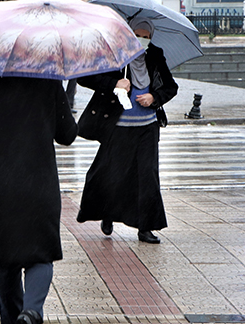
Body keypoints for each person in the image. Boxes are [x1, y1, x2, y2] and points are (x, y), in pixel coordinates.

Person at [0, 73, 78, 324]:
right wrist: (63, 99)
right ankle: (32, 310)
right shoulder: (49, 83)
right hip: (38, 184)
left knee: (5, 258)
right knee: (41, 253)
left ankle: (14, 318)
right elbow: (67, 134)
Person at [75, 18, 178, 244]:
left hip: (147, 127)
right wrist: (114, 84)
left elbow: (171, 86)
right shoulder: (113, 53)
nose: (142, 39)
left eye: (146, 36)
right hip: (118, 127)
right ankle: (107, 213)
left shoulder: (154, 55)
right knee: (109, 173)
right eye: (137, 34)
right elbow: (85, 77)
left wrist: (154, 98)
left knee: (147, 177)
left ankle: (146, 227)